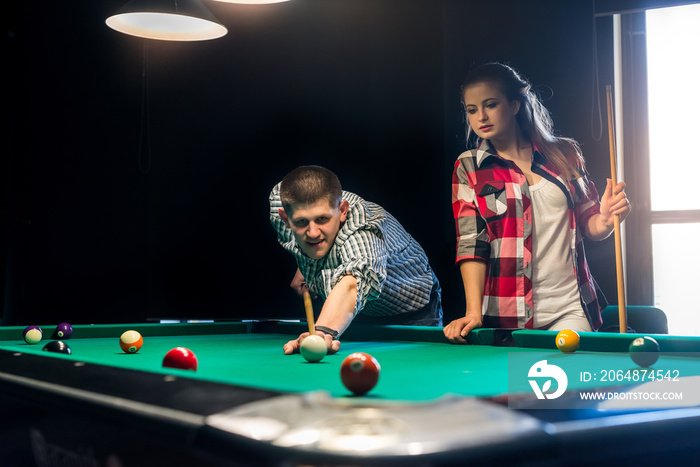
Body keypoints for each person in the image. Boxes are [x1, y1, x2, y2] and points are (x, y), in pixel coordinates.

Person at [444, 63, 630, 343]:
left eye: (490, 104)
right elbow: (472, 242)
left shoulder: (563, 153)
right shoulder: (469, 166)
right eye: (472, 110)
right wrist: (473, 311)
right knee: (515, 387)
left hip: (569, 308)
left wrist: (605, 219)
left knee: (568, 382)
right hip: (506, 316)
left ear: (515, 104)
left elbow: (590, 224)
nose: (481, 116)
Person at [270, 165, 442, 355]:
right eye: (301, 222)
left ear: (343, 210)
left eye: (322, 219)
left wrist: (321, 333)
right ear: (285, 218)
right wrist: (306, 262)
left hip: (411, 310)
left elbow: (354, 281)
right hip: (354, 313)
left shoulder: (361, 226)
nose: (312, 232)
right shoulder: (282, 200)